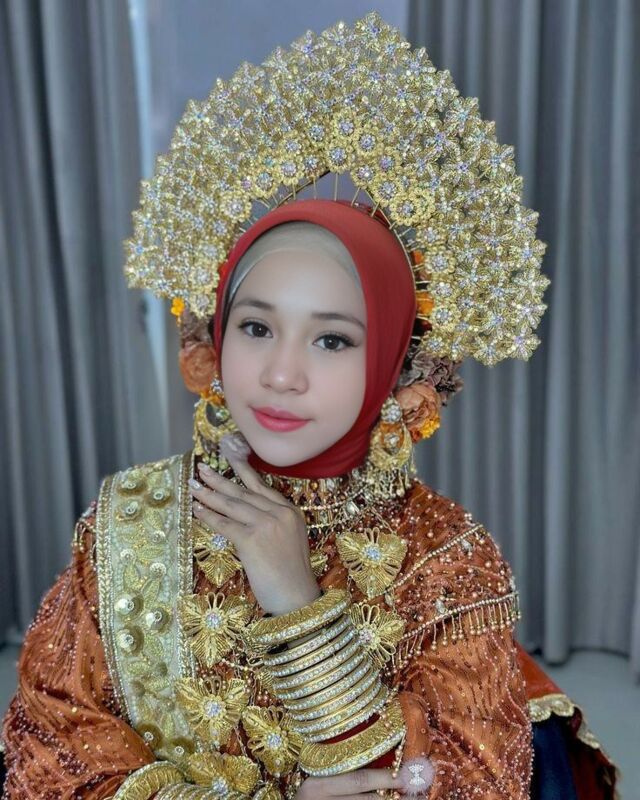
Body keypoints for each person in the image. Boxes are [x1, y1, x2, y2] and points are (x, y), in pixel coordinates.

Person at [1, 12, 619, 800]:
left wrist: (297, 599)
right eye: (256, 327)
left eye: (332, 340)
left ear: (397, 367)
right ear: (211, 338)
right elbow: (51, 756)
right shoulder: (127, 525)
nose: (281, 374)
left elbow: (468, 784)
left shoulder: (449, 563)